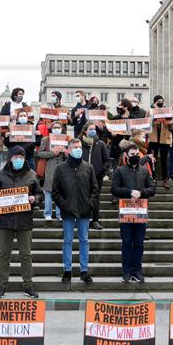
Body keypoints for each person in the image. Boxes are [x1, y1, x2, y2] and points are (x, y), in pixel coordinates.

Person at [0, 146, 42, 298]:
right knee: (4, 254)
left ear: (25, 158)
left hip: (24, 220)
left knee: (26, 254)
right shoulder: (1, 174)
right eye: (16, 157)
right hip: (5, 221)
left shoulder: (32, 175)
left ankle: (28, 285)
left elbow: (39, 193)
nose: (18, 160)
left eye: (21, 157)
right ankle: (2, 285)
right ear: (10, 158)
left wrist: (36, 199)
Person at [52, 138, 99, 284]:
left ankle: (84, 271)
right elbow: (55, 192)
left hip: (84, 211)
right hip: (68, 211)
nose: (78, 149)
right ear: (68, 150)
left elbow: (95, 189)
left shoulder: (88, 167)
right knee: (68, 241)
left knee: (84, 240)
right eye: (75, 147)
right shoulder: (60, 168)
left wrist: (89, 204)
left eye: (79, 147)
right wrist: (64, 205)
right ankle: (67, 270)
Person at [111, 144, 156, 283]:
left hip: (140, 212)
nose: (135, 156)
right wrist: (129, 192)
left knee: (139, 243)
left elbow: (153, 188)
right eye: (132, 154)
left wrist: (141, 193)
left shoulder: (144, 170)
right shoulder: (119, 171)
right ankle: (126, 271)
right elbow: (114, 189)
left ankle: (137, 270)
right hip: (126, 212)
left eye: (137, 154)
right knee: (126, 242)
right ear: (126, 156)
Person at [81, 121, 110, 229]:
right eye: (90, 129)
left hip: (96, 176)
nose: (93, 131)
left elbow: (107, 161)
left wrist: (100, 171)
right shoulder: (79, 143)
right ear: (85, 131)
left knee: (95, 198)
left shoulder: (100, 144)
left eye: (94, 129)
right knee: (82, 196)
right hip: (81, 175)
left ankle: (95, 220)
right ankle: (82, 219)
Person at [37, 121, 66, 221]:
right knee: (48, 191)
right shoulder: (46, 139)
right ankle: (47, 213)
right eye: (55, 127)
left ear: (62, 129)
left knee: (61, 191)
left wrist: (67, 153)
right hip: (49, 167)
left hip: (62, 167)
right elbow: (40, 153)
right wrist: (52, 153)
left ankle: (59, 213)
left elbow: (69, 153)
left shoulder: (65, 139)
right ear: (51, 129)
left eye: (59, 127)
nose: (57, 129)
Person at [148, 95, 173, 190]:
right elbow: (147, 123)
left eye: (162, 101)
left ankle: (165, 179)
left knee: (164, 160)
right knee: (152, 159)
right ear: (154, 102)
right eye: (158, 101)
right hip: (153, 138)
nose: (160, 103)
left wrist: (169, 121)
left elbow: (172, 127)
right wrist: (154, 111)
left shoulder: (167, 111)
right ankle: (152, 179)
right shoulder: (150, 111)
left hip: (164, 138)